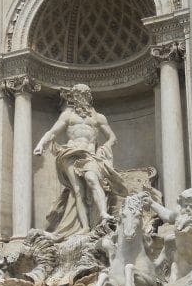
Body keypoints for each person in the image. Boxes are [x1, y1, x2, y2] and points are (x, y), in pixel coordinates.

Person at [34, 83, 127, 236]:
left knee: (92, 179)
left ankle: (103, 213)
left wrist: (105, 147)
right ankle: (85, 227)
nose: (80, 97)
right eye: (77, 95)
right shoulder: (67, 116)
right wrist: (41, 144)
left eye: (83, 94)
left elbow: (112, 137)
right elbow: (52, 132)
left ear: (89, 97)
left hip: (90, 155)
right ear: (73, 97)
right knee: (78, 190)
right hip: (70, 153)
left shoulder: (98, 118)